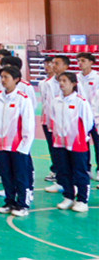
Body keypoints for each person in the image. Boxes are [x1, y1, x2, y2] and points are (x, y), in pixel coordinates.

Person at [0, 65, 35, 217]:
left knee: (20, 176)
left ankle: (22, 204)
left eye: (6, 77)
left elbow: (28, 124)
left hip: (17, 146)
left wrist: (24, 146)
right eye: (1, 77)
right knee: (6, 175)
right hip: (0, 145)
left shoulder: (23, 99)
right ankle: (9, 202)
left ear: (16, 80)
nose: (3, 80)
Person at [52, 71, 94, 213]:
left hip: (77, 143)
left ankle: (82, 200)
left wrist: (78, 136)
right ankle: (68, 196)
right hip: (60, 142)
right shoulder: (56, 101)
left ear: (74, 83)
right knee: (64, 170)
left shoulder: (80, 102)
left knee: (79, 171)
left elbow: (88, 122)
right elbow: (53, 119)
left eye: (65, 81)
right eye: (60, 81)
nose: (61, 83)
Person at [75, 52, 99, 181]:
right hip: (81, 117)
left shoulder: (97, 77)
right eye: (78, 61)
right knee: (83, 145)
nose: (80, 63)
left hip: (96, 117)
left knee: (98, 144)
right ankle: (86, 169)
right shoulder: (75, 78)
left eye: (83, 60)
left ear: (91, 62)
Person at [40, 56, 62, 192]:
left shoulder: (70, 82)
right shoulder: (44, 83)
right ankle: (57, 172)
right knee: (53, 148)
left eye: (54, 63)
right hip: (48, 120)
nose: (50, 66)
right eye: (48, 63)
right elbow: (45, 102)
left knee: (64, 151)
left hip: (62, 123)